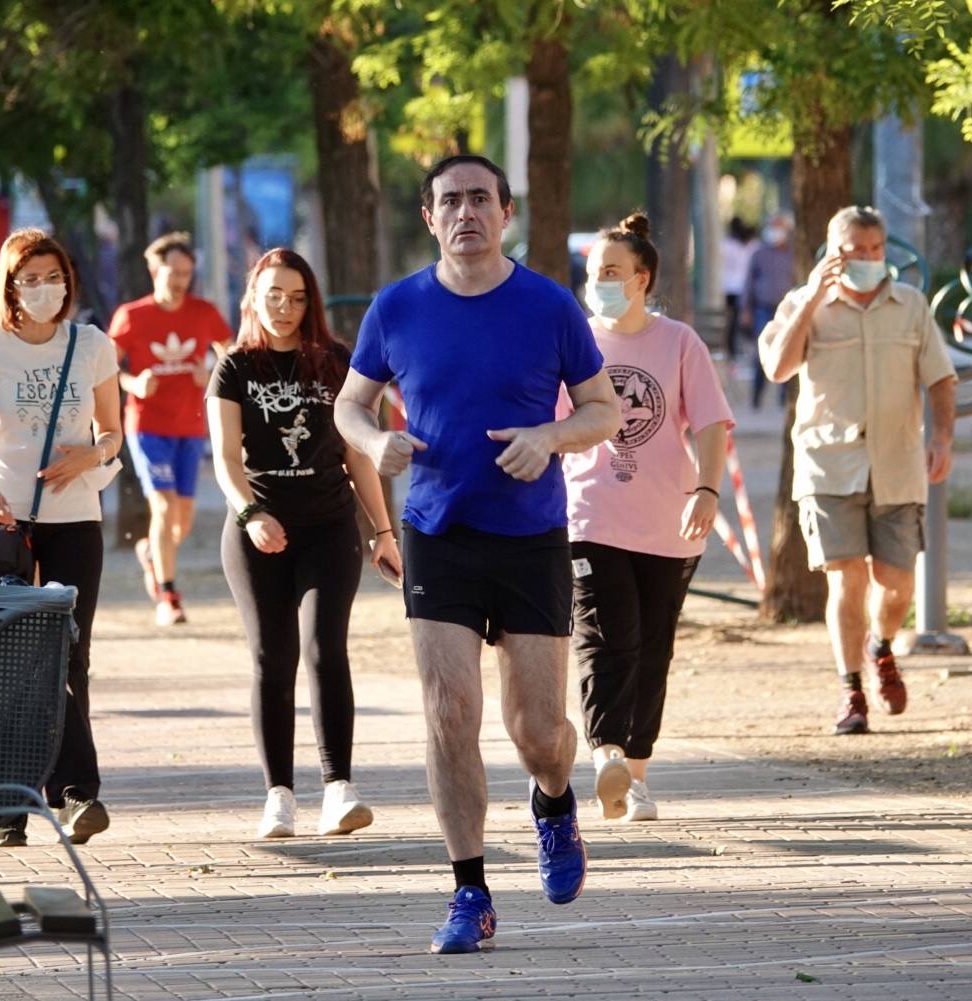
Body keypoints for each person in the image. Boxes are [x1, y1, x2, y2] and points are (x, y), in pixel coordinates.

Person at [334, 154, 620, 955]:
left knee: (539, 731)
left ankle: (553, 801)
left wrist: (549, 437)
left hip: (530, 535)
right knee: (448, 711)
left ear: (505, 212)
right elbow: (349, 404)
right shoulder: (396, 307)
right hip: (437, 532)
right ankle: (470, 892)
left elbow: (601, 409)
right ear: (429, 217)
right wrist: (375, 441)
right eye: (450, 201)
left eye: (479, 199)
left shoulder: (548, 305)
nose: (466, 212)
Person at [207, 248, 401, 840]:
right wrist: (251, 514)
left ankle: (339, 789)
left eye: (295, 297)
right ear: (254, 298)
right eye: (273, 296)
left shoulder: (336, 363)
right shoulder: (235, 367)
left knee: (325, 649)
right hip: (258, 531)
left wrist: (383, 532)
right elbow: (225, 459)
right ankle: (279, 797)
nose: (284, 308)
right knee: (273, 657)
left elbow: (358, 456)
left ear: (309, 301)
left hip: (329, 527)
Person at [561, 212, 734, 824]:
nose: (599, 283)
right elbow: (550, 427)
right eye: (593, 272)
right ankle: (606, 752)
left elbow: (711, 422)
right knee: (607, 637)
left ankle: (635, 776)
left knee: (653, 648)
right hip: (590, 517)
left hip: (668, 522)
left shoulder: (679, 343)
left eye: (611, 271)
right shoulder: (574, 343)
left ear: (642, 280)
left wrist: (707, 489)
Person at [759, 205, 957, 736]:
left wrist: (942, 438)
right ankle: (851, 691)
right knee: (846, 579)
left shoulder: (911, 306)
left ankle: (880, 645)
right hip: (828, 465)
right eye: (855, 251)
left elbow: (940, 379)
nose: (867, 259)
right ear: (832, 252)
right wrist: (811, 301)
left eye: (875, 249)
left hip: (898, 465)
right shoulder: (802, 304)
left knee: (896, 585)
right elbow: (777, 368)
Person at [0, 228, 122, 847]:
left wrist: (91, 455)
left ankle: (78, 795)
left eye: (54, 277)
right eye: (30, 279)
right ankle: (10, 804)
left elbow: (113, 431)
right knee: (8, 657)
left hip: (74, 517)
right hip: (4, 519)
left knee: (70, 653)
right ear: (9, 286)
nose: (44, 289)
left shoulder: (91, 344)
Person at [109, 232, 233, 626]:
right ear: (154, 271)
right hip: (147, 426)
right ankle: (169, 596)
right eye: (172, 272)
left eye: (186, 273)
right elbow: (106, 368)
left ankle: (151, 551)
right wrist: (133, 383)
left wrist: (211, 373)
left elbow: (231, 354)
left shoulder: (204, 312)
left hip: (191, 426)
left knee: (183, 519)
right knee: (162, 507)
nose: (180, 280)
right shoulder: (132, 316)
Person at [741, 213, 795, 409]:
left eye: (779, 227)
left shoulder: (793, 254)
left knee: (787, 351)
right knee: (760, 354)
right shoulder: (759, 254)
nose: (775, 231)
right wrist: (745, 309)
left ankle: (784, 401)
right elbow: (748, 283)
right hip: (762, 309)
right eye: (772, 226)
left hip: (788, 310)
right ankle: (756, 398)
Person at [720, 217, 756, 363]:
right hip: (736, 288)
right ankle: (735, 351)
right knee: (736, 321)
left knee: (736, 321)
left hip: (733, 288)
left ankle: (737, 351)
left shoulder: (728, 245)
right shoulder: (733, 246)